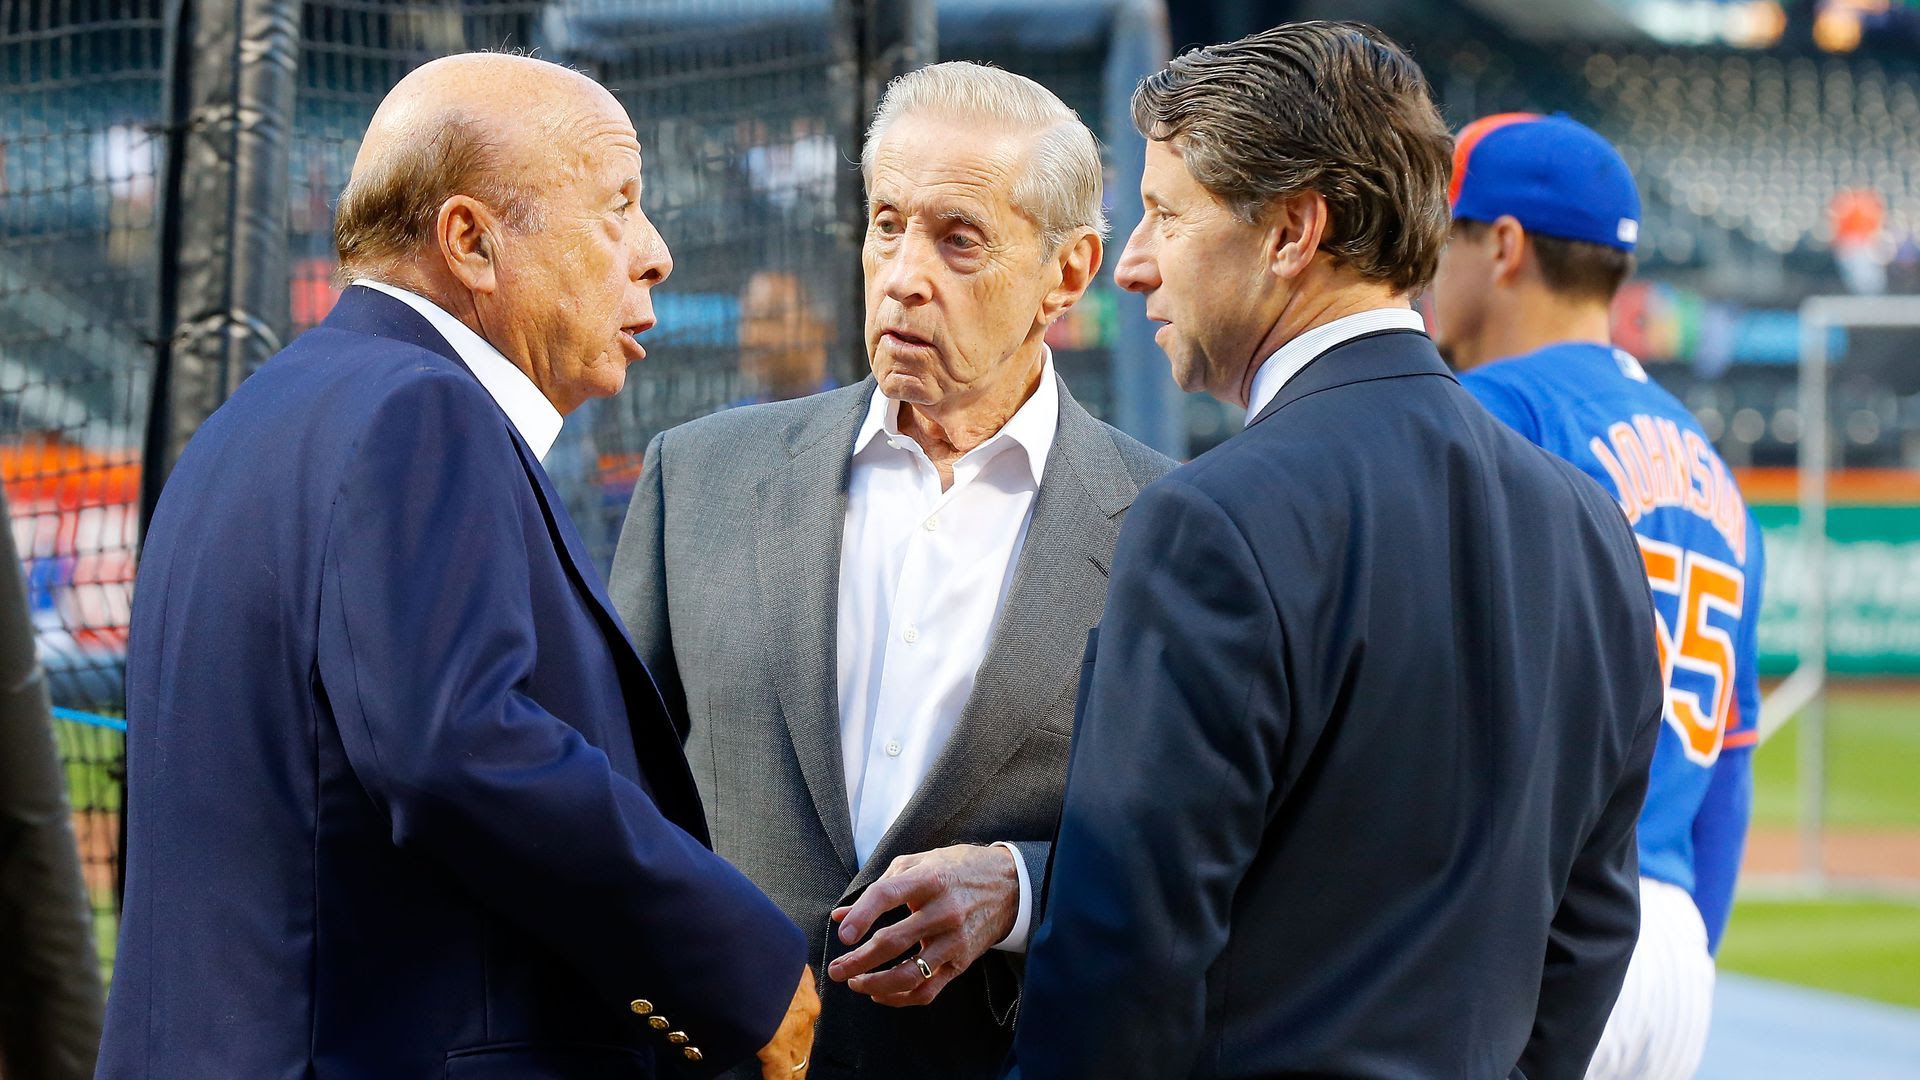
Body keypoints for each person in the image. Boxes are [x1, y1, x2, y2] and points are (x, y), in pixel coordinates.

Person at [97, 54, 816, 1079]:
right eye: (617, 207)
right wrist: (742, 966)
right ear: (471, 242)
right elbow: (458, 748)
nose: (654, 252)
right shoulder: (419, 411)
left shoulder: (256, 420)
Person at [1010, 23, 1664, 1079]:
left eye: (1167, 215)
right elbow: (1587, 938)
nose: (1132, 265)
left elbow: (1125, 948)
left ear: (1291, 233)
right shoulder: (1589, 525)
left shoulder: (1212, 522)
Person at [609, 61, 1173, 1079]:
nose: (906, 273)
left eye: (958, 239)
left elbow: (1197, 846)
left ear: (1069, 272)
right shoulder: (696, 477)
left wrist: (1022, 889)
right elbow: (608, 797)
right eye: (886, 224)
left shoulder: (1169, 530)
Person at [1432, 112, 1765, 1080]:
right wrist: (1687, 954)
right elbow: (1729, 768)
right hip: (1667, 945)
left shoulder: (1494, 416)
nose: (1425, 273)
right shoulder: (1712, 469)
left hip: (1546, 926)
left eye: (1443, 238)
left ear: (1501, 246)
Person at [734, 269, 838, 405]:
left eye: (771, 317)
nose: (752, 336)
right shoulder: (735, 419)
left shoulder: (855, 414)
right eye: (746, 319)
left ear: (818, 330)